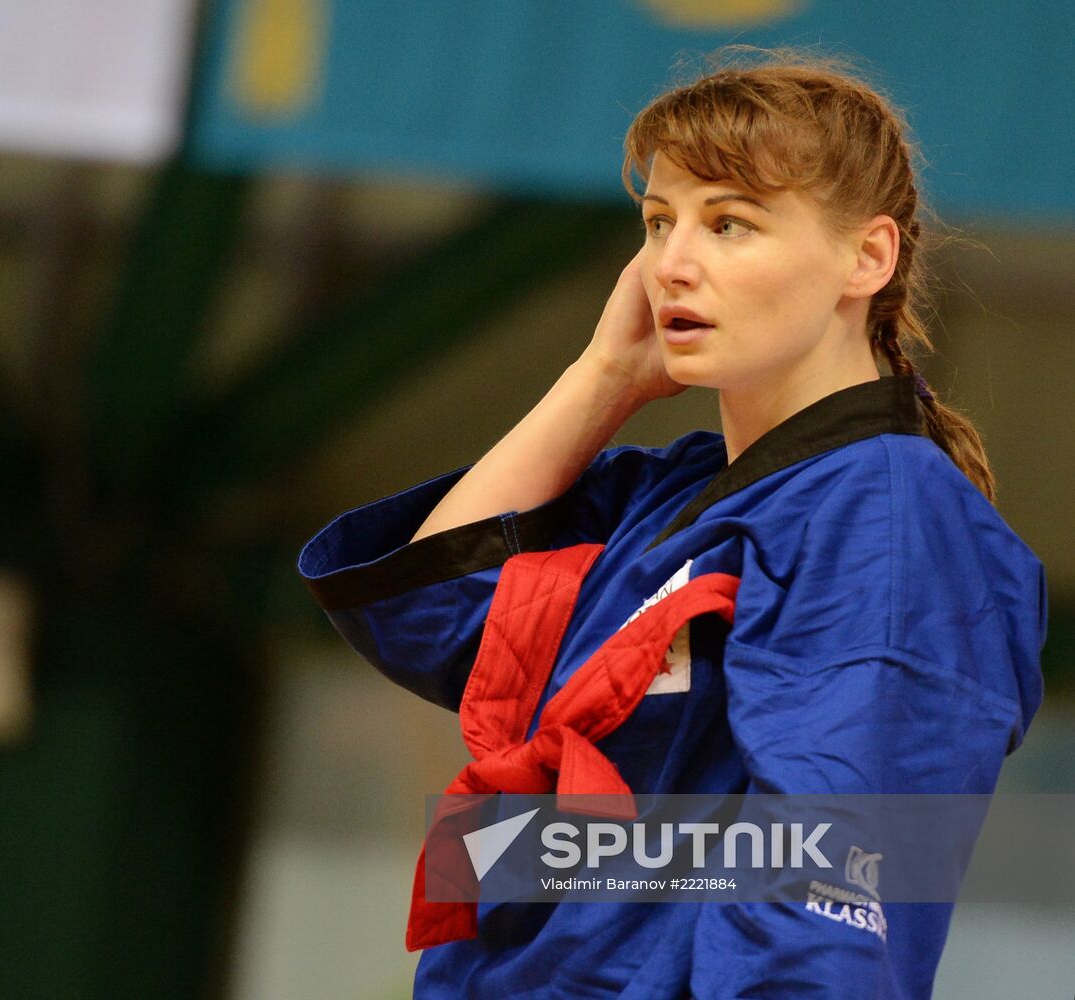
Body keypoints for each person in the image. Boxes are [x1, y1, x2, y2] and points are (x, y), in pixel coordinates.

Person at [296, 47, 1045, 998]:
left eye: (730, 223)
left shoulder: (889, 512)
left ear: (868, 257)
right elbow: (433, 614)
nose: (672, 264)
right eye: (658, 222)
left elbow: (829, 882)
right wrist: (601, 378)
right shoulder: (671, 493)